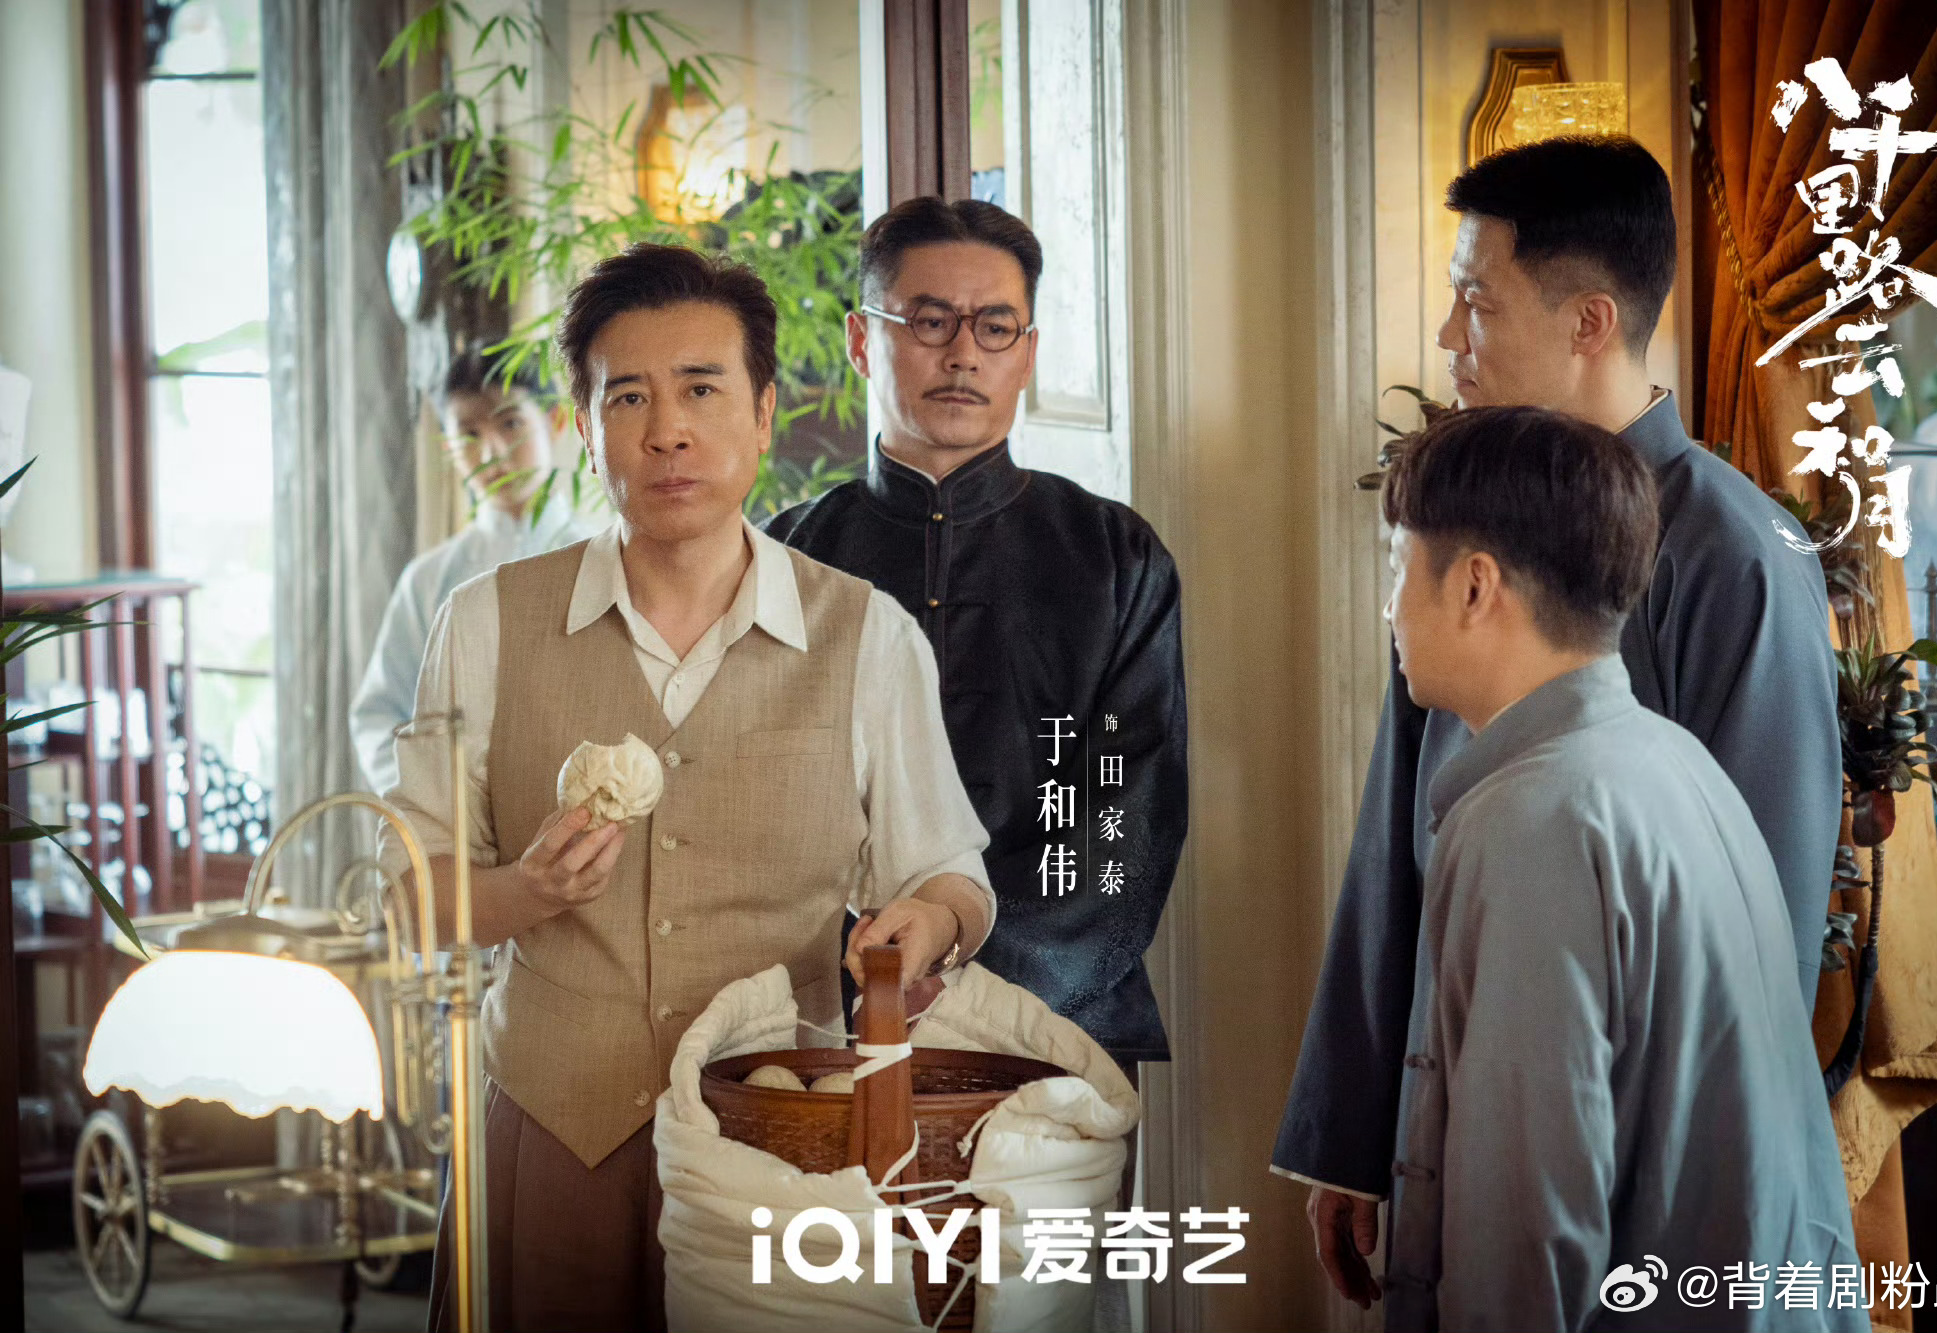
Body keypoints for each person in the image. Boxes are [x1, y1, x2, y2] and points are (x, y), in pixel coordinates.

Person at [1273, 136, 1843, 1306]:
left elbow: (1761, 931)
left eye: (1475, 303)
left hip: (1639, 1159)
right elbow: (1398, 839)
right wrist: (1358, 1130)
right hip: (1469, 1080)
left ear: (1588, 320)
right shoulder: (1472, 516)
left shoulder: (1736, 552)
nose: (1448, 338)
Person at [387, 244, 995, 1332]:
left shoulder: (867, 636)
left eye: (702, 390)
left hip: (781, 1140)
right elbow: (409, 897)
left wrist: (929, 925)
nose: (667, 429)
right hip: (551, 1137)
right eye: (628, 396)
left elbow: (950, 874)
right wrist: (527, 891)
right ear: (585, 429)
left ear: (762, 415)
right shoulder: (482, 624)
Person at [1362, 405, 1861, 1331]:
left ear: (1474, 585)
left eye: (1398, 567)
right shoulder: (1672, 760)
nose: (1389, 607)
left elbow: (1526, 1246)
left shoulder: (1532, 819)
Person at [766, 196, 1189, 1070]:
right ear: (861, 339)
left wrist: (970, 984)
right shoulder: (785, 558)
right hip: (820, 1025)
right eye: (930, 321)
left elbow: (1128, 822)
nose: (963, 353)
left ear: (1026, 353)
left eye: (995, 327)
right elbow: (756, 821)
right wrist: (862, 981)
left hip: (1056, 1034)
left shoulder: (1115, 556)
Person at [350, 349, 602, 794]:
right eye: (469, 434)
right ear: (449, 448)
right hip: (454, 821)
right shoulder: (428, 581)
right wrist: (431, 805)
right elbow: (380, 714)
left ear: (556, 422)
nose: (491, 452)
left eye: (510, 423)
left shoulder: (605, 558)